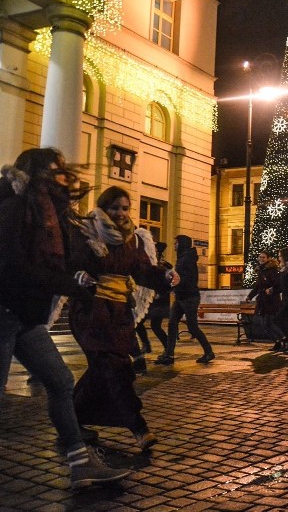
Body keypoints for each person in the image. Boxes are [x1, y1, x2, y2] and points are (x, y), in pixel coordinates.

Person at [0, 148, 131, 489]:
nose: (64, 176)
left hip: (25, 318)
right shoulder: (16, 209)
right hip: (3, 312)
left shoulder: (49, 212)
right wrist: (67, 284)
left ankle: (81, 462)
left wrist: (77, 278)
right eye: (56, 170)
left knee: (60, 381)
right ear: (37, 174)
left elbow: (56, 264)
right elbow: (13, 266)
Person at [68, 186, 177, 452]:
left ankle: (71, 418)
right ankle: (139, 428)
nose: (120, 213)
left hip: (119, 314)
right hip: (90, 311)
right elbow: (68, 264)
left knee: (105, 369)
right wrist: (79, 277)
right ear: (104, 207)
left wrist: (164, 276)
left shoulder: (133, 239)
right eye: (115, 207)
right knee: (113, 368)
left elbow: (142, 272)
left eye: (125, 208)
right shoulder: (86, 232)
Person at [156, 235, 214, 365]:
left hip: (189, 297)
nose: (174, 246)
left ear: (182, 244)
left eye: (176, 243)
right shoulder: (183, 258)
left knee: (192, 327)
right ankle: (169, 354)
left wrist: (173, 283)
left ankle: (209, 352)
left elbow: (186, 279)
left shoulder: (186, 259)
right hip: (181, 296)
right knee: (172, 324)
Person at [130, 241, 173, 375]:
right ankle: (162, 349)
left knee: (149, 325)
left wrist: (161, 293)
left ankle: (166, 350)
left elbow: (168, 284)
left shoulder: (164, 266)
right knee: (143, 324)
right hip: (150, 300)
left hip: (158, 302)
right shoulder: (149, 264)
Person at [246, 250, 285, 351]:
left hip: (271, 301)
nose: (261, 259)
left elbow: (279, 285)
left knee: (268, 323)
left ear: (268, 259)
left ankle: (283, 338)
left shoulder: (272, 270)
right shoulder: (261, 270)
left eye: (264, 257)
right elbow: (257, 287)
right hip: (263, 301)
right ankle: (278, 341)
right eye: (260, 257)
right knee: (264, 324)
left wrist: (271, 289)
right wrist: (250, 296)